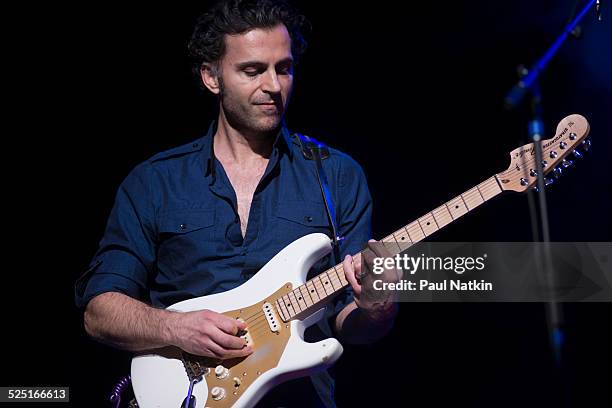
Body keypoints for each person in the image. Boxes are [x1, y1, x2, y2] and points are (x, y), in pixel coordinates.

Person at [75, 0, 397, 406]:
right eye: (252, 70)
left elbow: (352, 323)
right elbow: (100, 312)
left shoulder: (337, 176)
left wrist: (378, 308)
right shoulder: (156, 181)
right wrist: (176, 328)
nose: (274, 86)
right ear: (211, 77)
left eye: (284, 68)